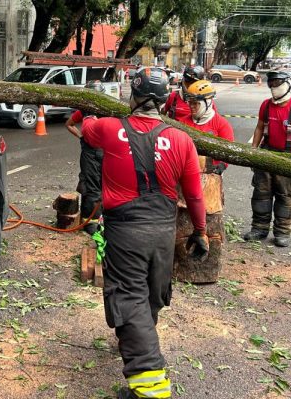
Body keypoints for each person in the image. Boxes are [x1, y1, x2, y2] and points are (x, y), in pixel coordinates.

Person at [82, 68, 209, 399]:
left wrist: (90, 101)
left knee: (129, 297)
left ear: (133, 97)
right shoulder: (182, 139)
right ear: (166, 100)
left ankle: (151, 387)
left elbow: (86, 127)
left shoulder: (110, 129)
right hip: (162, 232)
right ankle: (138, 343)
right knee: (152, 292)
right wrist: (201, 231)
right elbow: (195, 196)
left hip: (125, 232)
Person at [244, 70, 291, 248]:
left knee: (285, 197)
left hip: (289, 158)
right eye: (271, 83)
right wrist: (253, 152)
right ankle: (259, 228)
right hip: (266, 155)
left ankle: (282, 232)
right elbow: (259, 128)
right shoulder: (266, 105)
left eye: (277, 83)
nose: (273, 86)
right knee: (261, 195)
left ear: (288, 83)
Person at [179, 80, 234, 174]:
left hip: (211, 174)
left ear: (207, 103)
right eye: (190, 103)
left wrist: (222, 165)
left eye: (195, 103)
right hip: (186, 172)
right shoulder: (182, 123)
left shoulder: (222, 124)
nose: (191, 106)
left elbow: (230, 151)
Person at [66, 106, 103, 235]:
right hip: (90, 152)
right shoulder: (84, 111)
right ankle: (89, 221)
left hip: (105, 150)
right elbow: (69, 124)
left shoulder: (107, 111)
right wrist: (81, 137)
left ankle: (99, 217)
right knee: (91, 187)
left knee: (103, 185)